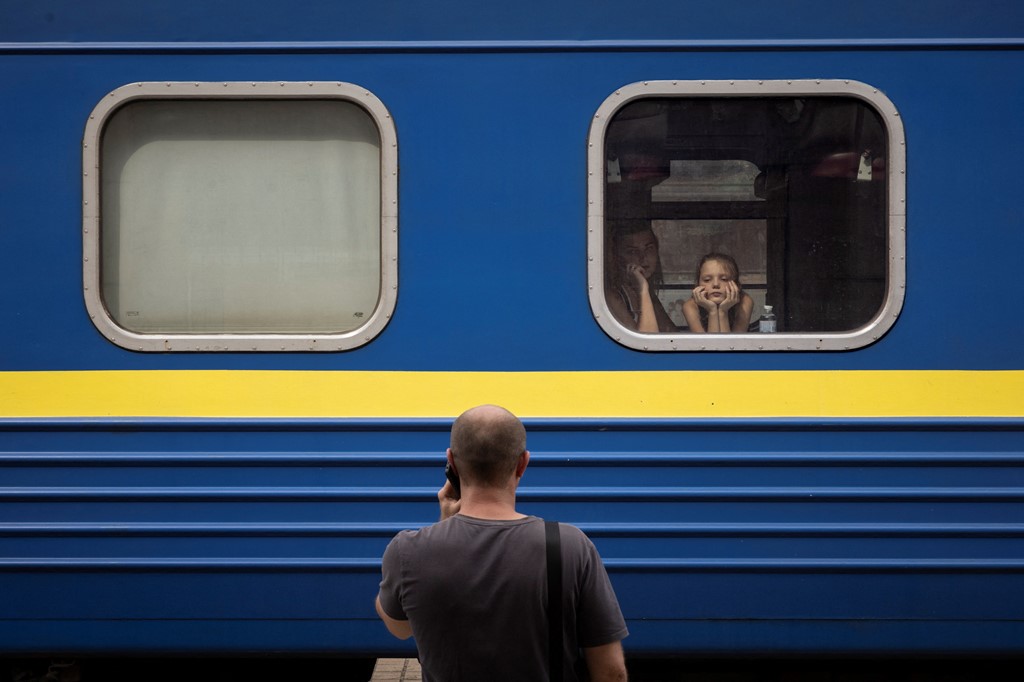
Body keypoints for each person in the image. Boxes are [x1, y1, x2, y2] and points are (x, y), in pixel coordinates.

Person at [376, 404, 629, 682]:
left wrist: (444, 525)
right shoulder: (571, 546)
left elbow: (400, 628)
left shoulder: (408, 550)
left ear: (452, 463)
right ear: (523, 463)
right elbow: (611, 672)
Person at [605, 223, 676, 332]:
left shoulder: (648, 294)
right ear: (617, 257)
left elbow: (671, 333)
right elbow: (647, 342)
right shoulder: (613, 297)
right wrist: (643, 289)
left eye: (649, 248)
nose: (643, 257)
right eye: (632, 251)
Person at [682, 252, 754, 333]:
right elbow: (709, 345)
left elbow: (731, 345)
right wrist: (712, 311)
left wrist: (723, 311)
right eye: (707, 280)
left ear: (735, 283)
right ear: (698, 284)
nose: (715, 284)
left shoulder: (744, 302)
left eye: (724, 279)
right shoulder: (691, 306)